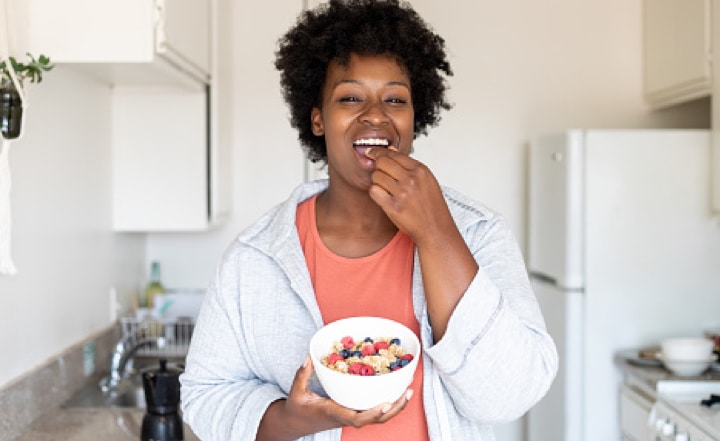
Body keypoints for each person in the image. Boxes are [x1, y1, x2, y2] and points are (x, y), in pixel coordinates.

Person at [180, 0, 558, 440]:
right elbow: (205, 396)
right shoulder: (256, 256)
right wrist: (295, 418)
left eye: (395, 98)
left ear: (415, 118)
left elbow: (511, 394)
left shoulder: (478, 233)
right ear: (318, 119)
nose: (375, 113)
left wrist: (436, 232)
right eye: (350, 98)